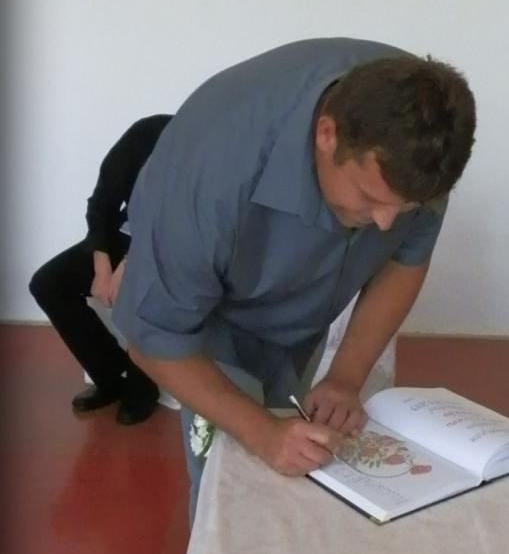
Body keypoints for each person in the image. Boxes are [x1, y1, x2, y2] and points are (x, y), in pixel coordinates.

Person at [112, 37, 476, 520]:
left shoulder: (425, 144)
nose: (386, 222)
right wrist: (261, 431)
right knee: (228, 479)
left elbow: (404, 260)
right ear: (327, 134)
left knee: (297, 471)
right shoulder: (209, 173)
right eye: (370, 198)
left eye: (405, 207)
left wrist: (345, 378)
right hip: (205, 320)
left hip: (303, 312)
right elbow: (154, 336)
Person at [29, 114, 172, 424]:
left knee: (139, 289)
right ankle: (110, 375)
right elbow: (102, 201)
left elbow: (178, 222)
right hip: (127, 233)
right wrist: (102, 264)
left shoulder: (205, 154)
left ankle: (143, 385)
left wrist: (131, 264)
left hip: (172, 245)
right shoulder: (147, 133)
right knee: (48, 283)